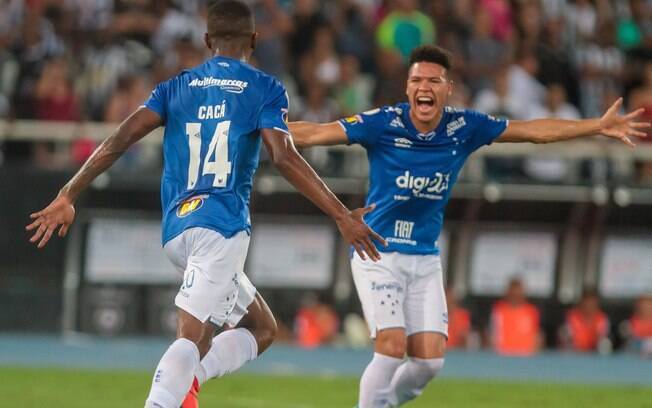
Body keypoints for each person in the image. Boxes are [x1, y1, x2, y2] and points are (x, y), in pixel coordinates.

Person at [25, 2, 385, 408]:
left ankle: (187, 385)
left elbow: (119, 139)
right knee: (192, 336)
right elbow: (283, 156)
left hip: (177, 229)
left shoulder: (175, 87)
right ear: (254, 39)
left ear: (207, 40)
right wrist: (340, 214)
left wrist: (69, 192)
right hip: (221, 226)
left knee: (262, 328)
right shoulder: (265, 88)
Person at [288, 44, 648, 408]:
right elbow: (316, 133)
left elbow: (533, 131)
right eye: (416, 80)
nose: (423, 87)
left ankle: (381, 404)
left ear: (448, 88)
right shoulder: (382, 123)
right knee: (392, 347)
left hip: (424, 258)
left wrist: (597, 126)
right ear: (408, 88)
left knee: (428, 364)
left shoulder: (465, 126)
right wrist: (267, 130)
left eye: (433, 80)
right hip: (377, 250)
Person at [490, 278, 542, 357]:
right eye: (513, 292)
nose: (516, 294)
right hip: (504, 354)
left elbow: (536, 335)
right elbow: (493, 333)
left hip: (526, 355)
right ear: (508, 292)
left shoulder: (531, 311)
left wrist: (534, 353)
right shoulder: (499, 309)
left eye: (519, 291)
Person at [560, 289, 610, 353]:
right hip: (574, 355)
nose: (589, 306)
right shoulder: (572, 317)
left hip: (594, 356)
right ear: (582, 303)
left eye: (592, 303)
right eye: (587, 303)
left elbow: (602, 339)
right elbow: (566, 339)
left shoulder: (602, 318)